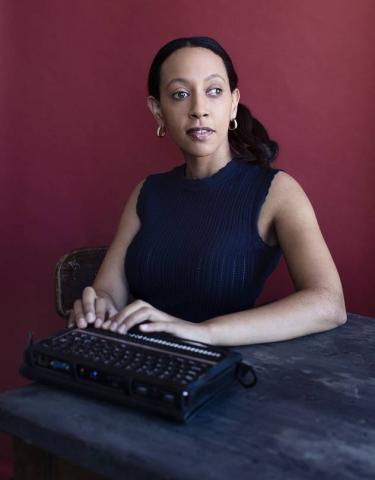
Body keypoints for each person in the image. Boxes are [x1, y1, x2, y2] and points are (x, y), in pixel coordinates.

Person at [68, 36, 346, 346]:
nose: (199, 109)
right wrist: (98, 305)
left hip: (221, 373)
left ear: (233, 103)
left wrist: (203, 333)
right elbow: (109, 293)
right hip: (141, 365)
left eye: (214, 91)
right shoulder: (147, 193)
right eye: (180, 94)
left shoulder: (277, 192)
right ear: (158, 111)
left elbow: (329, 304)